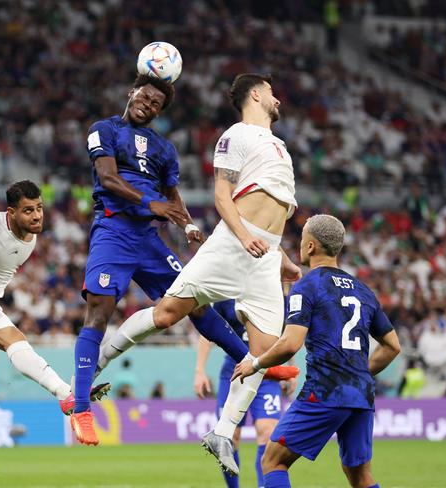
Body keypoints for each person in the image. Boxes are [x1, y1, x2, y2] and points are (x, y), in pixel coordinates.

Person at [93, 73, 301, 473]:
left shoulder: (280, 146)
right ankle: (102, 356)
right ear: (256, 94)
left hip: (263, 256)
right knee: (168, 313)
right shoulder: (236, 135)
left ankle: (222, 432)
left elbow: (272, 214)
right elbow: (223, 196)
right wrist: (244, 237)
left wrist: (280, 256)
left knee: (264, 354)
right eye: (272, 92)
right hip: (231, 245)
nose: (278, 99)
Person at [71, 74, 264, 446]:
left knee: (195, 302)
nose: (149, 104)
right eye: (145, 96)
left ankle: (257, 363)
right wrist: (149, 203)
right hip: (113, 231)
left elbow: (172, 196)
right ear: (132, 93)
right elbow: (108, 178)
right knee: (99, 311)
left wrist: (189, 225)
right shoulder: (105, 129)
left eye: (157, 103)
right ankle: (80, 408)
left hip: (148, 240)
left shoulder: (164, 149)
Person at [0, 181, 110, 478]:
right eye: (28, 211)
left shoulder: (31, 236)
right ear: (11, 213)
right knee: (13, 338)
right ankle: (67, 394)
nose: (37, 216)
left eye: (39, 208)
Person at [232, 214, 401, 488]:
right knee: (360, 477)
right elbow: (393, 346)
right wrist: (357, 373)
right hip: (361, 394)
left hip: (326, 390)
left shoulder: (307, 286)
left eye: (301, 240)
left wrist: (256, 363)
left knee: (273, 461)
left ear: (310, 246)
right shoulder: (363, 290)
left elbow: (290, 344)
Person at [195, 300, 294, 488]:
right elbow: (206, 332)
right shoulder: (225, 297)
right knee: (230, 439)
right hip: (234, 373)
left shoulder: (275, 293)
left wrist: (289, 366)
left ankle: (262, 486)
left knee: (268, 431)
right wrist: (199, 371)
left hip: (266, 373)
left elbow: (285, 335)